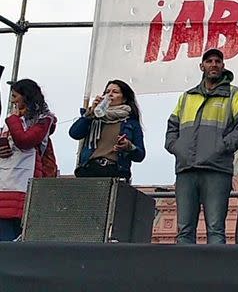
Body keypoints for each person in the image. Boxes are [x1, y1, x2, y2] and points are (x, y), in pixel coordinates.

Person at [165, 48, 238, 244]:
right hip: (186, 169)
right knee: (184, 230)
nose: (213, 64)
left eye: (217, 61)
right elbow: (172, 126)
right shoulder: (187, 97)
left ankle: (216, 273)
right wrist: (176, 147)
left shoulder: (234, 95)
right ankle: (184, 273)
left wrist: (222, 147)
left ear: (223, 66)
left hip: (217, 170)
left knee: (215, 229)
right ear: (202, 66)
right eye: (209, 61)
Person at [0, 79, 56, 241]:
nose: (12, 101)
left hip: (22, 180)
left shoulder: (43, 120)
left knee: (13, 235)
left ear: (26, 96)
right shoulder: (13, 121)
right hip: (6, 178)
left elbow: (25, 141)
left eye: (15, 96)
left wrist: (13, 120)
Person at [69, 80, 146, 181]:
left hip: (115, 171)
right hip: (90, 170)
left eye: (115, 92)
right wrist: (89, 114)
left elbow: (140, 155)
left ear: (124, 99)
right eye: (107, 92)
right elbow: (74, 133)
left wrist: (128, 146)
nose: (110, 94)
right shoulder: (94, 118)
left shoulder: (131, 123)